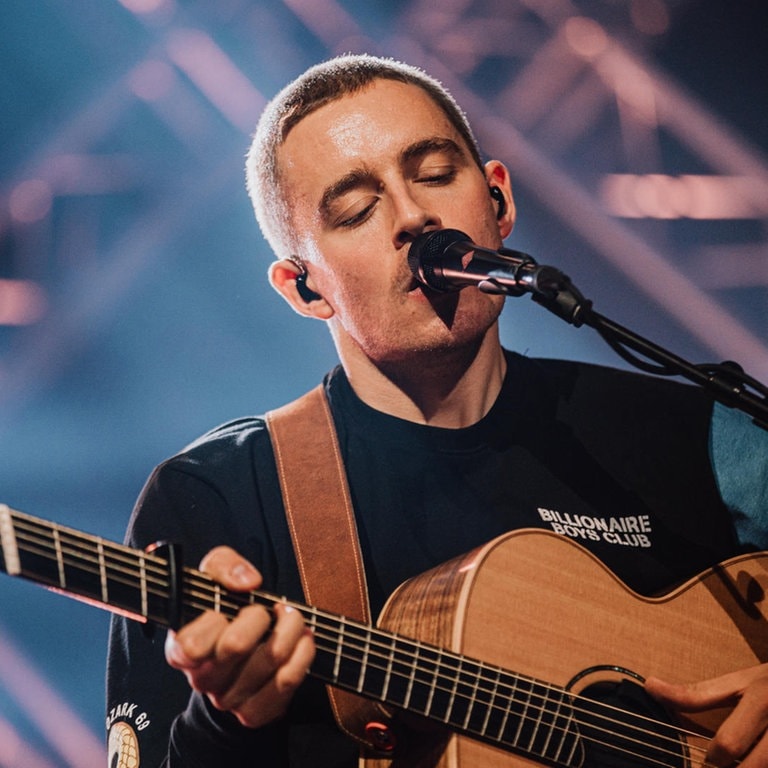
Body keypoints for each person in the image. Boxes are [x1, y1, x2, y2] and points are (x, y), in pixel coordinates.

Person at [106, 53, 768, 767]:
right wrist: (226, 722)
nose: (414, 216)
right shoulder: (219, 499)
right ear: (304, 290)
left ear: (498, 202)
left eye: (434, 174)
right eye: (356, 208)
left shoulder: (693, 436)